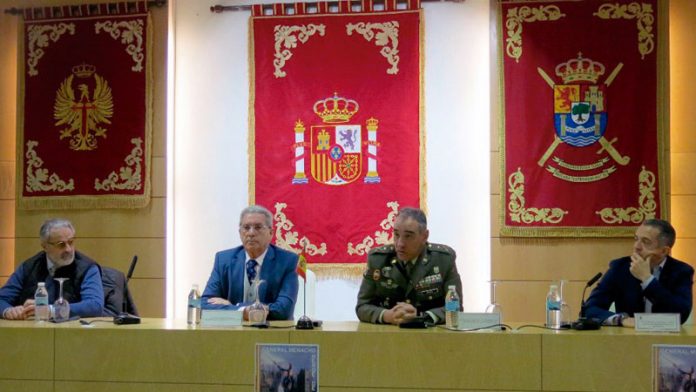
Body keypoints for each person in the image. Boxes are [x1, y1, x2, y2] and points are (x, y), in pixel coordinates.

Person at [355, 207, 462, 325]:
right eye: (396, 234)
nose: (400, 243)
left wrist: (421, 317)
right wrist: (387, 315)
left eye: (408, 236)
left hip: (429, 336)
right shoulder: (378, 259)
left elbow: (455, 308)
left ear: (424, 236)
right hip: (388, 336)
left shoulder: (443, 260)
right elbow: (362, 306)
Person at [585, 219, 693, 327]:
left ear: (664, 251)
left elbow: (681, 315)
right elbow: (589, 309)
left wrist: (647, 280)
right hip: (628, 339)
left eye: (645, 242)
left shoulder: (681, 271)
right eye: (636, 239)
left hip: (666, 338)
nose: (637, 246)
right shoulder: (620, 268)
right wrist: (621, 320)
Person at [202, 205, 299, 320]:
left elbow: (283, 310)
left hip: (271, 334)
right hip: (232, 333)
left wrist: (237, 308)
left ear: (271, 233)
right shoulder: (223, 260)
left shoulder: (287, 261)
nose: (251, 233)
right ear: (240, 232)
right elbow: (204, 305)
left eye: (258, 227)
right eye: (246, 227)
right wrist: (244, 311)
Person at [0, 218, 104, 320]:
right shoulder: (29, 267)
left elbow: (95, 305)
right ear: (45, 246)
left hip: (73, 332)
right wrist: (8, 311)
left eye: (71, 242)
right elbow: (2, 299)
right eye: (61, 244)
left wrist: (51, 310)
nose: (68, 249)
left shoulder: (88, 268)